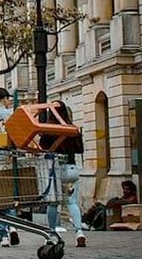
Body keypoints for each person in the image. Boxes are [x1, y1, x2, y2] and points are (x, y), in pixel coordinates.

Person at [43, 100, 87, 247]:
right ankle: (79, 232)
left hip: (55, 170)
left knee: (53, 203)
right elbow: (80, 149)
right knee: (72, 202)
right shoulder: (73, 128)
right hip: (71, 169)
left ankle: (51, 233)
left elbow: (43, 146)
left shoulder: (49, 129)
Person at [0, 88, 19, 247]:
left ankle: (3, 236)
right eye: (8, 98)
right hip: (7, 157)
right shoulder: (11, 115)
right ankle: (14, 225)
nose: (9, 101)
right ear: (3, 98)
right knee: (8, 194)